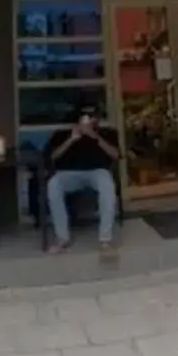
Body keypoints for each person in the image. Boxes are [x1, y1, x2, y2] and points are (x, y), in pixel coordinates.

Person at [45, 103, 121, 256]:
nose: (89, 121)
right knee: (53, 184)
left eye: (93, 118)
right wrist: (71, 140)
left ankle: (105, 240)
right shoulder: (63, 133)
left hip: (97, 172)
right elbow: (52, 157)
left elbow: (116, 155)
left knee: (107, 183)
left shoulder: (107, 132)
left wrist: (95, 137)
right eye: (86, 117)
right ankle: (62, 238)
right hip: (69, 173)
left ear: (98, 120)